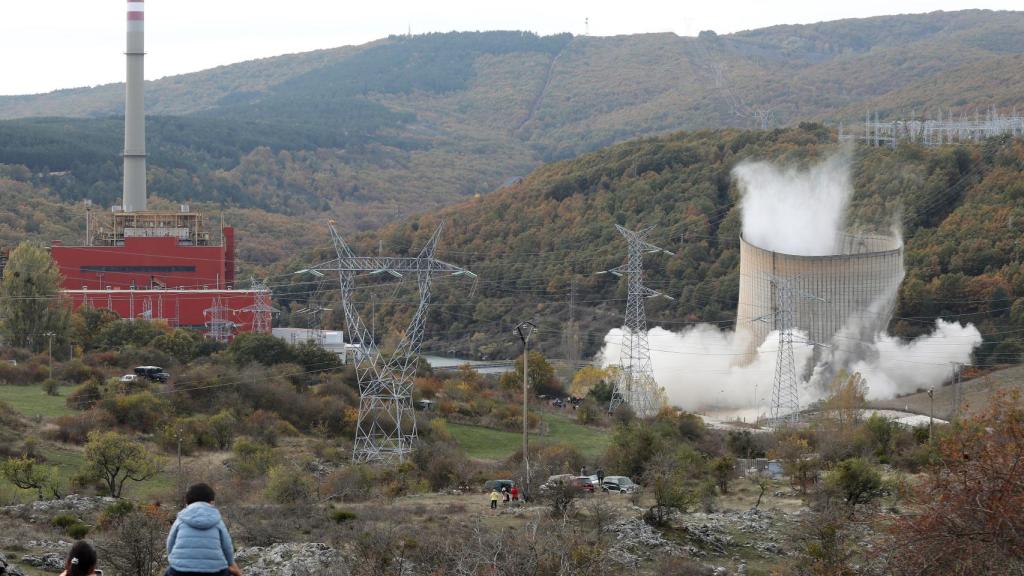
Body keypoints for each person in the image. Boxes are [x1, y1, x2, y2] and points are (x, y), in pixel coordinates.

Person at [166, 483, 242, 576]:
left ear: (187, 502)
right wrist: (230, 564)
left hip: (180, 570)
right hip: (214, 570)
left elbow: (170, 543)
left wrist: (173, 560)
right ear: (212, 502)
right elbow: (227, 547)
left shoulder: (181, 519)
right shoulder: (217, 521)